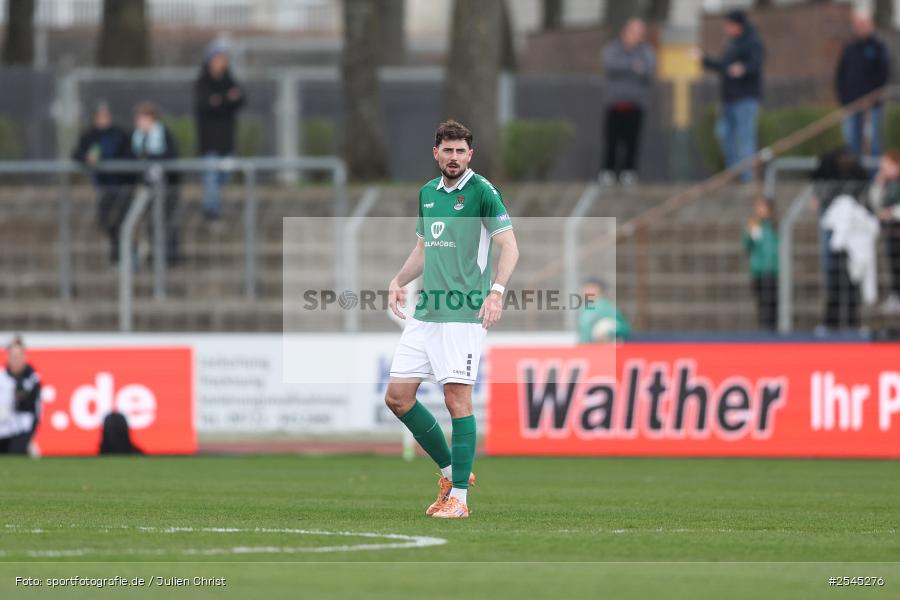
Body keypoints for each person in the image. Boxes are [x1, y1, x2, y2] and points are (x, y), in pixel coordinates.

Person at [384, 120, 519, 519]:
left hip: (462, 314)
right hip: (426, 313)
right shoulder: (427, 193)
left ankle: (459, 499)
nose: (454, 157)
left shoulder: (482, 192)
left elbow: (509, 246)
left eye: (461, 151)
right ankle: (450, 472)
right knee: (397, 398)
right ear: (436, 153)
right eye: (448, 150)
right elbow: (425, 247)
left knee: (456, 401)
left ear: (470, 155)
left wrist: (496, 292)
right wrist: (398, 279)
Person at [695, 10, 764, 182]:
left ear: (738, 25)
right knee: (724, 135)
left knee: (744, 138)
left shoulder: (753, 43)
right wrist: (703, 59)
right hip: (729, 99)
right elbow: (723, 66)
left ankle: (747, 179)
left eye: (729, 25)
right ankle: (734, 173)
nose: (727, 29)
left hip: (745, 99)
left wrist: (744, 68)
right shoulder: (733, 45)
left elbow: (755, 65)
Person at [71, 101, 135, 265]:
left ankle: (122, 256)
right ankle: (121, 253)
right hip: (104, 186)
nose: (103, 119)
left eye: (105, 115)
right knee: (105, 221)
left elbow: (129, 156)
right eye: (100, 116)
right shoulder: (89, 135)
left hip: (122, 185)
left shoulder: (120, 134)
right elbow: (76, 153)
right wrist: (87, 158)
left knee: (122, 223)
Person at [600, 18, 656, 186]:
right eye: (634, 31)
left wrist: (632, 68)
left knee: (632, 140)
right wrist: (633, 66)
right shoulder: (613, 48)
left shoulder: (646, 51)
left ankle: (629, 172)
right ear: (625, 31)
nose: (637, 35)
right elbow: (610, 65)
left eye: (640, 32)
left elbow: (648, 71)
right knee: (612, 140)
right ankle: (608, 172)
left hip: (636, 104)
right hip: (615, 103)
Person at [194, 40, 245, 220]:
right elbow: (207, 104)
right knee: (211, 179)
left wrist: (220, 101)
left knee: (224, 177)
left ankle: (215, 209)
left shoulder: (229, 80)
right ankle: (212, 214)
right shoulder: (203, 82)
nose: (221, 62)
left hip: (226, 141)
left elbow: (239, 99)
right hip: (209, 142)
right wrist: (226, 100)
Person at [131, 101, 183, 266]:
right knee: (151, 223)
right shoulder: (137, 138)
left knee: (167, 222)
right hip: (146, 187)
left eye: (144, 118)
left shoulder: (163, 134)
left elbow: (171, 158)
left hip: (166, 187)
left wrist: (150, 157)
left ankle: (171, 256)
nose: (140, 122)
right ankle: (155, 256)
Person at [835, 10, 889, 161]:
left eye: (863, 24)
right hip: (850, 105)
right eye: (857, 24)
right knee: (851, 142)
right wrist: (844, 99)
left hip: (871, 106)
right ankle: (856, 179)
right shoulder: (849, 48)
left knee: (872, 143)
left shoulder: (878, 47)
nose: (860, 27)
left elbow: (883, 74)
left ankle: (874, 178)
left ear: (870, 25)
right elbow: (840, 75)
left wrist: (871, 97)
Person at [868, 150, 900, 312]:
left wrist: (893, 213)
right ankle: (895, 296)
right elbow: (875, 203)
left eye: (886, 164)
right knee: (894, 266)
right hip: (891, 232)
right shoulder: (885, 183)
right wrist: (878, 184)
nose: (883, 168)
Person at [0, 336, 42, 455]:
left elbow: (35, 410)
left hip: (21, 430)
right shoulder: (2, 378)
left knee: (15, 455)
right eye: (13, 357)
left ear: (24, 357)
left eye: (18, 357)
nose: (16, 360)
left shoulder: (31, 379)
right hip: (2, 428)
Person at [742, 197, 779, 331]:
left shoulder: (776, 226)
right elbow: (747, 245)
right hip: (759, 271)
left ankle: (772, 330)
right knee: (763, 304)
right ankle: (765, 330)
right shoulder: (754, 226)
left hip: (775, 271)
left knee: (774, 304)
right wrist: (750, 231)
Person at [577, 277, 630, 342]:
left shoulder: (606, 308)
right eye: (585, 288)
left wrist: (608, 332)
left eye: (590, 288)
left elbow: (624, 328)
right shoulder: (585, 307)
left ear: (599, 290)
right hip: (585, 348)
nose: (586, 291)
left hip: (600, 348)